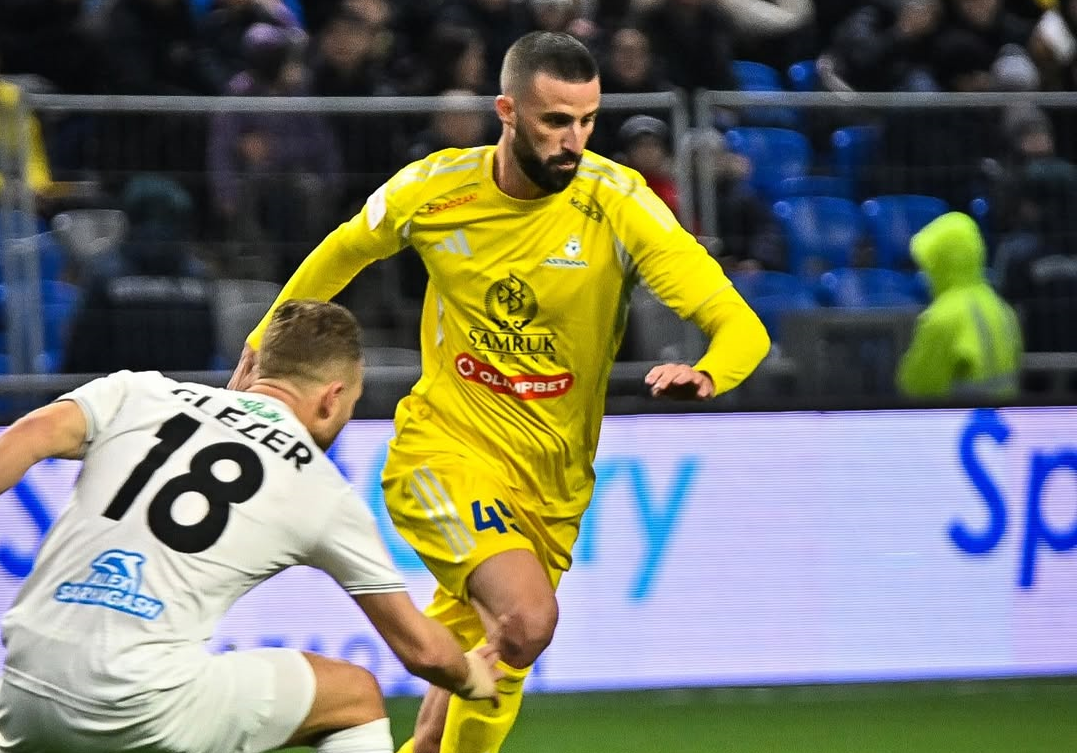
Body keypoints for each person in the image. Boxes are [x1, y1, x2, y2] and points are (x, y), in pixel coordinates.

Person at [229, 31, 770, 753]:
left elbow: (739, 326)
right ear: (507, 111)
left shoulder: (620, 204)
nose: (573, 141)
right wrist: (262, 347)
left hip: (551, 487)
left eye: (587, 121)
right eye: (555, 121)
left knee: (491, 667)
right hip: (443, 454)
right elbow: (343, 250)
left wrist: (710, 371)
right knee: (525, 619)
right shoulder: (434, 189)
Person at [0, 299, 502, 753]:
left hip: (17, 689)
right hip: (135, 704)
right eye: (350, 406)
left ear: (257, 369)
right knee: (355, 696)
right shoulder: (320, 486)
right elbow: (422, 651)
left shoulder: (138, 392)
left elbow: (29, 435)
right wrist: (470, 675)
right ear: (331, 398)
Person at [897, 212, 1022, 399]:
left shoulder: (943, 317)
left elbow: (915, 386)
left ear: (939, 261)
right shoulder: (1001, 308)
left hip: (960, 416)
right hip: (1003, 415)